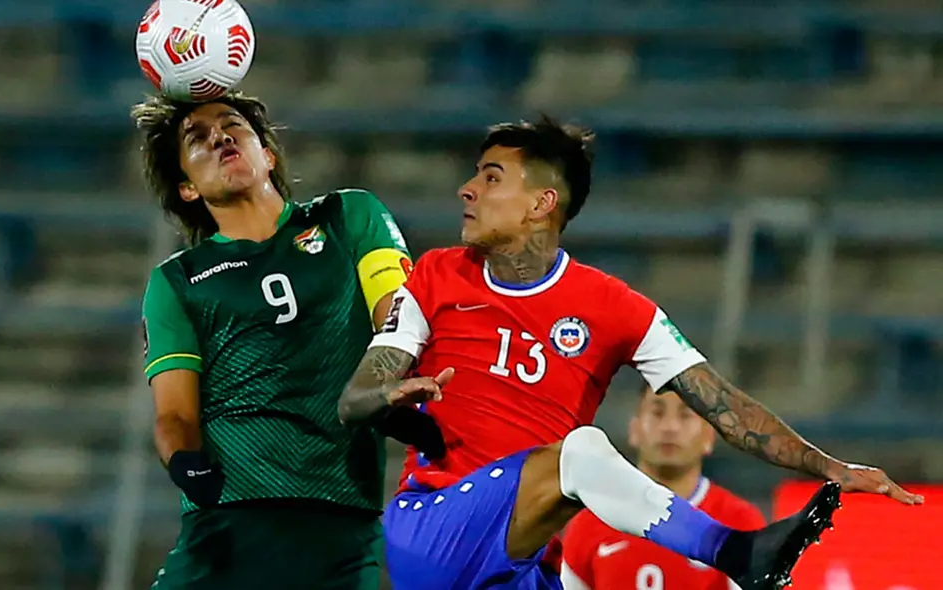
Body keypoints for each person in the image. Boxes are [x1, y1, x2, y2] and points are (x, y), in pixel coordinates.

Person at [337, 116, 924, 590]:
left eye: (491, 178)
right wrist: (390, 393)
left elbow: (722, 405)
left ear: (542, 203)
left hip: (522, 558)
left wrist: (831, 468)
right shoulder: (435, 277)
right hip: (435, 528)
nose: (467, 189)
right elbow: (354, 401)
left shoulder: (613, 307)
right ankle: (734, 551)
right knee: (582, 452)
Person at [132, 91, 413, 590]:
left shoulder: (349, 218)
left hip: (341, 516)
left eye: (232, 125)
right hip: (229, 520)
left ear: (269, 153)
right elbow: (174, 414)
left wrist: (394, 376)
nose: (219, 137)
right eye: (196, 139)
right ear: (188, 188)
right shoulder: (178, 280)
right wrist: (187, 464)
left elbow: (397, 315)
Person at [560, 385, 768, 590]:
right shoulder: (591, 522)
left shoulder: (739, 523)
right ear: (634, 430)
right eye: (657, 413)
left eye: (685, 415)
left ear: (708, 436)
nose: (670, 427)